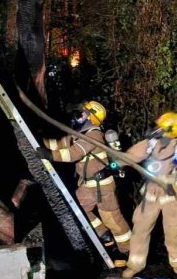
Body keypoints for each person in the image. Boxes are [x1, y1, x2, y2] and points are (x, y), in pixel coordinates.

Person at [40, 101, 132, 261]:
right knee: (77, 209)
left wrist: (50, 156)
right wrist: (40, 141)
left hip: (103, 186)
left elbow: (74, 153)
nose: (79, 115)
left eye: (83, 113)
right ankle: (104, 236)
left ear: (91, 117)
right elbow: (61, 143)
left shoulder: (94, 135)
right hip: (87, 186)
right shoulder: (79, 133)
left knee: (113, 221)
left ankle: (129, 252)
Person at [120, 111, 177, 279]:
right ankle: (134, 265)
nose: (156, 130)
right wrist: (116, 160)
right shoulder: (149, 145)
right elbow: (131, 156)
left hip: (171, 198)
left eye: (160, 128)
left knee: (172, 231)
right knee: (140, 229)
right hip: (151, 194)